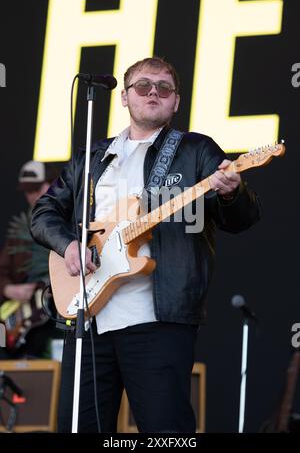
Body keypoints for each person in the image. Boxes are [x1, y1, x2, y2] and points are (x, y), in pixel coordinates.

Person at [30, 57, 261, 433]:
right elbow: (44, 212)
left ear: (176, 102)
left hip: (159, 319)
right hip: (88, 317)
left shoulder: (197, 151)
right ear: (124, 97)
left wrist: (234, 194)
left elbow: (242, 219)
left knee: (165, 431)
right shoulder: (92, 156)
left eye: (164, 87)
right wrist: (69, 245)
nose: (153, 92)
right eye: (143, 86)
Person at [0, 160, 60, 359]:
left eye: (36, 188)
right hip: (22, 313)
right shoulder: (20, 229)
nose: (32, 195)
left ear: (51, 185)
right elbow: (2, 271)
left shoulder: (68, 223)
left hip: (56, 313)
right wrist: (9, 289)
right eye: (27, 190)